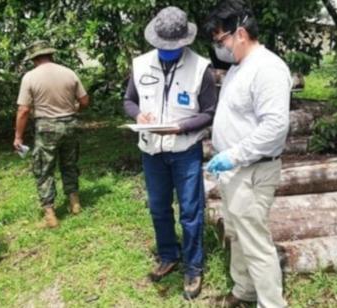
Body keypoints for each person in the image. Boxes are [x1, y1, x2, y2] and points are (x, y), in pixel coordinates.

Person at [123, 6, 218, 300]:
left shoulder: (201, 68)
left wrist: (182, 127)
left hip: (185, 150)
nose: (166, 51)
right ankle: (168, 254)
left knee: (191, 211)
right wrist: (139, 115)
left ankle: (193, 266)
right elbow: (128, 100)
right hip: (151, 151)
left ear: (184, 42)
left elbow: (210, 111)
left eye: (172, 48)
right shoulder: (140, 65)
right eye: (161, 47)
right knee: (158, 207)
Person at [204, 1, 292, 307]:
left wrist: (235, 154)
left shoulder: (268, 68)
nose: (219, 48)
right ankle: (244, 290)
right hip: (234, 170)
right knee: (237, 234)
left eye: (220, 41)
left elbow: (275, 127)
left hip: (252, 170)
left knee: (255, 243)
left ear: (239, 33)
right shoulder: (238, 68)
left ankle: (272, 303)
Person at [14, 40, 90, 228]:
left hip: (46, 128)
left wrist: (18, 136)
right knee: (69, 163)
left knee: (44, 168)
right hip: (70, 125)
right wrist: (74, 109)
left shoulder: (30, 77)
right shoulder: (68, 72)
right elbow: (85, 100)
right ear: (51, 54)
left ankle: (50, 214)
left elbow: (23, 110)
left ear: (33, 59)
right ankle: (74, 202)